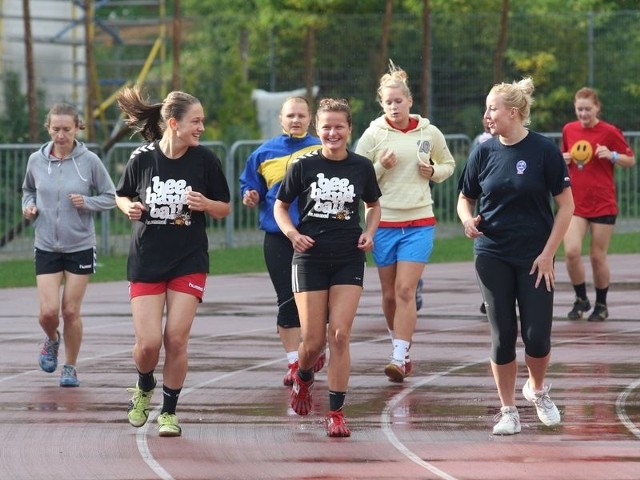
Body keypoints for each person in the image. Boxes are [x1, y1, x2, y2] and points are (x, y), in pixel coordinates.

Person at [456, 77, 574, 436]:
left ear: (514, 112)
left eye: (493, 108)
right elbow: (466, 197)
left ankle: (537, 390)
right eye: (487, 108)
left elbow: (566, 207)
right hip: (492, 253)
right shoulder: (483, 151)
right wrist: (466, 220)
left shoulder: (544, 151)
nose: (487, 115)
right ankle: (508, 410)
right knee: (502, 334)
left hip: (536, 255)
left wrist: (548, 254)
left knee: (537, 337)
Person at [115, 87, 231, 437]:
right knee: (148, 343)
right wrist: (129, 208)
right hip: (147, 259)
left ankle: (168, 411)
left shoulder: (206, 161)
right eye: (196, 121)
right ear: (173, 123)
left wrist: (206, 205)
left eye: (202, 122)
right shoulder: (143, 158)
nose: (201, 128)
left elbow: (224, 208)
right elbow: (122, 195)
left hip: (188, 258)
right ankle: (144, 384)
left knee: (176, 340)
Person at [274, 98, 381, 437]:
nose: (332, 132)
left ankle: (336, 412)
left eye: (339, 126)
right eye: (326, 127)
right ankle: (304, 377)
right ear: (317, 129)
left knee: (340, 335)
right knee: (313, 341)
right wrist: (292, 234)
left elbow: (374, 205)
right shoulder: (303, 166)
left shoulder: (361, 167)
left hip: (348, 256)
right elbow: (280, 206)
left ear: (349, 129)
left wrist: (369, 232)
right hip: (310, 259)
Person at [355, 60, 455, 382]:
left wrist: (434, 173)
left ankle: (398, 357)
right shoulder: (373, 135)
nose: (395, 107)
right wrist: (380, 167)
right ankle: (400, 343)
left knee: (405, 289)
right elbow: (357, 178)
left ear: (410, 101)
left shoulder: (429, 131)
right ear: (381, 104)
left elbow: (448, 164)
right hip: (382, 222)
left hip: (419, 220)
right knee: (388, 295)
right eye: (389, 102)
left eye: (399, 101)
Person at [21, 103, 116, 388]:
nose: (61, 135)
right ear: (48, 128)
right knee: (48, 313)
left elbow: (111, 196)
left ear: (77, 128)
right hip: (47, 244)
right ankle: (51, 339)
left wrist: (86, 202)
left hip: (79, 245)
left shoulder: (89, 161)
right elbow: (27, 190)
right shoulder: (35, 161)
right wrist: (29, 206)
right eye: (56, 129)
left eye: (66, 129)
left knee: (70, 311)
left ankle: (71, 367)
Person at [239, 96, 326, 387]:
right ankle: (293, 361)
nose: (296, 120)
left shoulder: (322, 148)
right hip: (278, 236)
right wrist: (249, 196)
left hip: (316, 235)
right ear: (281, 119)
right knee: (287, 300)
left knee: (318, 301)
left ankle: (313, 345)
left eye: (301, 115)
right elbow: (249, 188)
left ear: (310, 118)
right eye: (291, 116)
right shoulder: (264, 153)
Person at [561, 87, 636, 322]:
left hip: (603, 202)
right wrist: (562, 158)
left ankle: (601, 304)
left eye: (587, 109)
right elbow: (564, 154)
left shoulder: (609, 132)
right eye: (579, 109)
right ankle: (581, 298)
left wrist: (612, 155)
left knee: (597, 256)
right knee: (572, 252)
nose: (583, 114)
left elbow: (630, 159)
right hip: (575, 202)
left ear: (597, 108)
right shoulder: (569, 130)